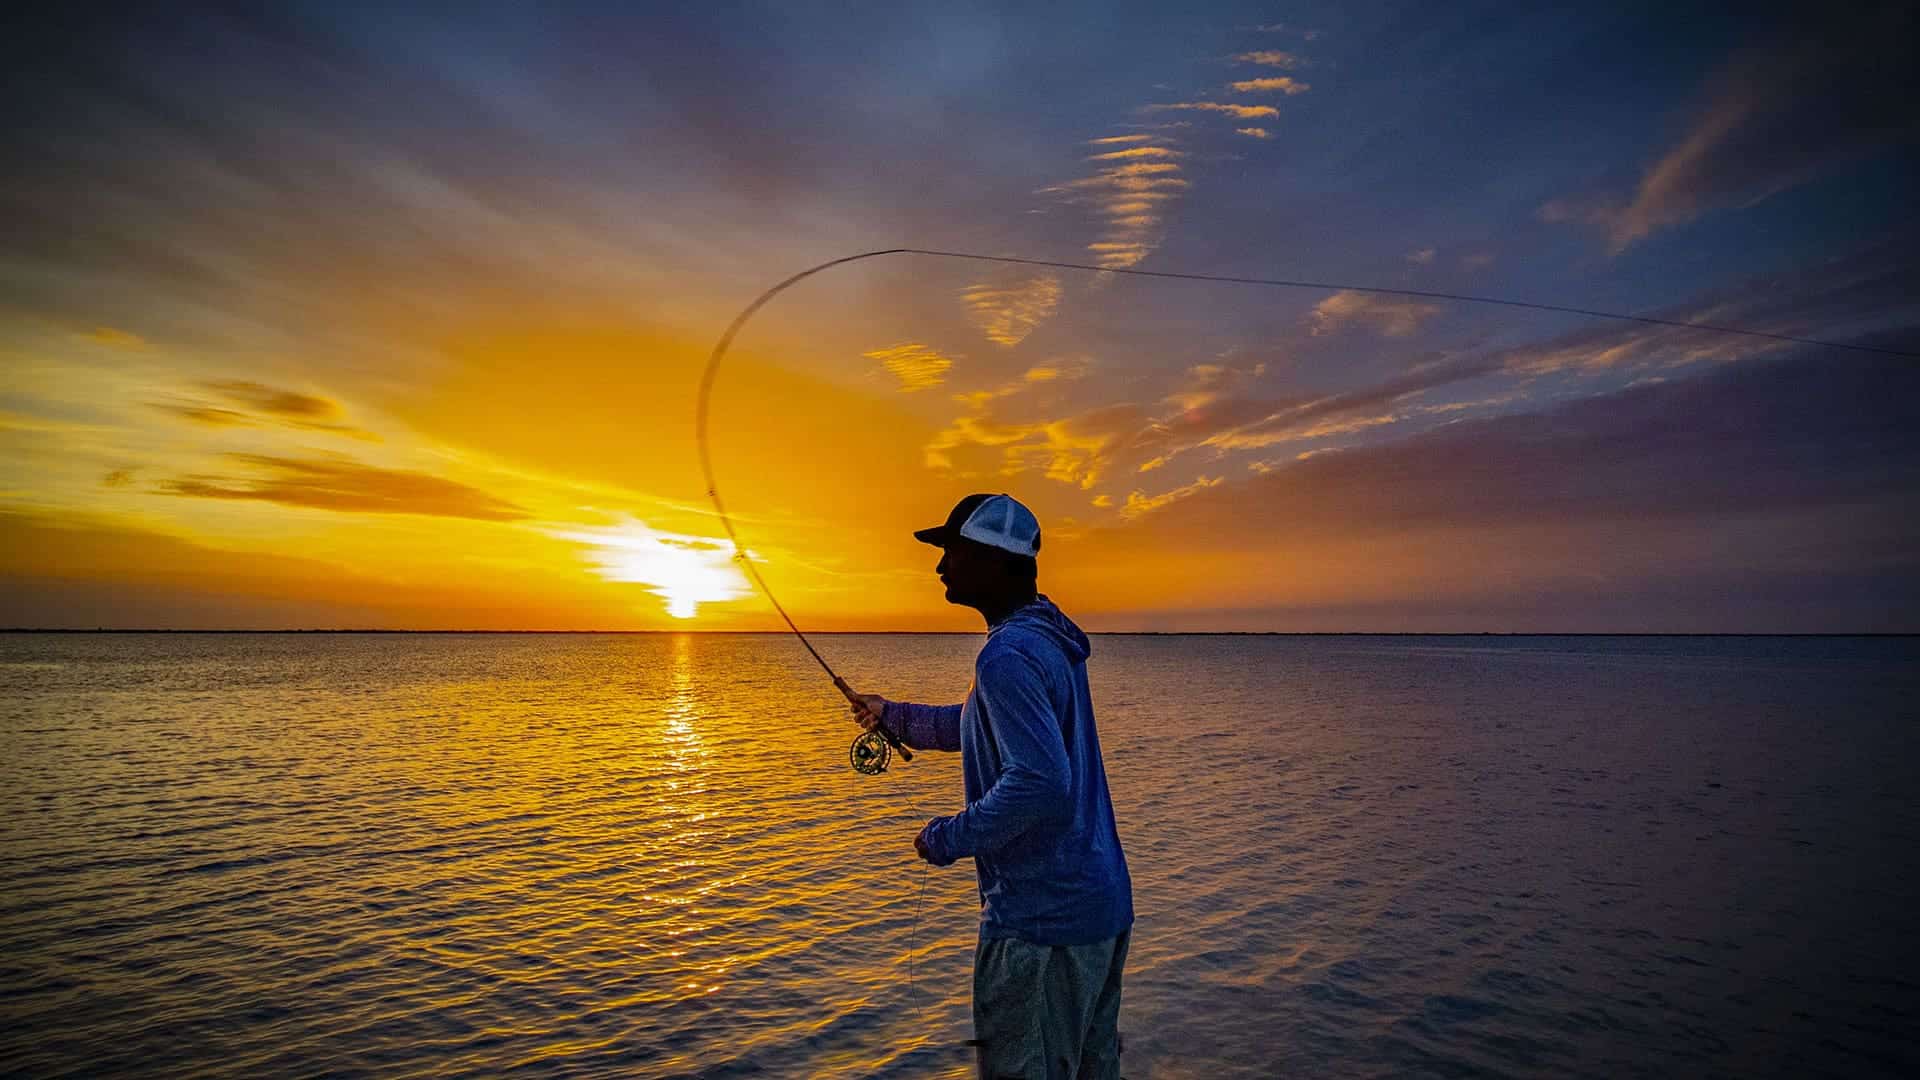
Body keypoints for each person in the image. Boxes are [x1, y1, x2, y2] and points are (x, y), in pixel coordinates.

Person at [847, 492, 1133, 1080]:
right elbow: (986, 726)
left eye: (952, 552)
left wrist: (947, 837)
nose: (940, 567)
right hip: (1098, 908)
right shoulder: (1046, 641)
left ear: (992, 561)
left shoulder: (1006, 656)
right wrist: (893, 716)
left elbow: (1040, 781)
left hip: (1042, 924)